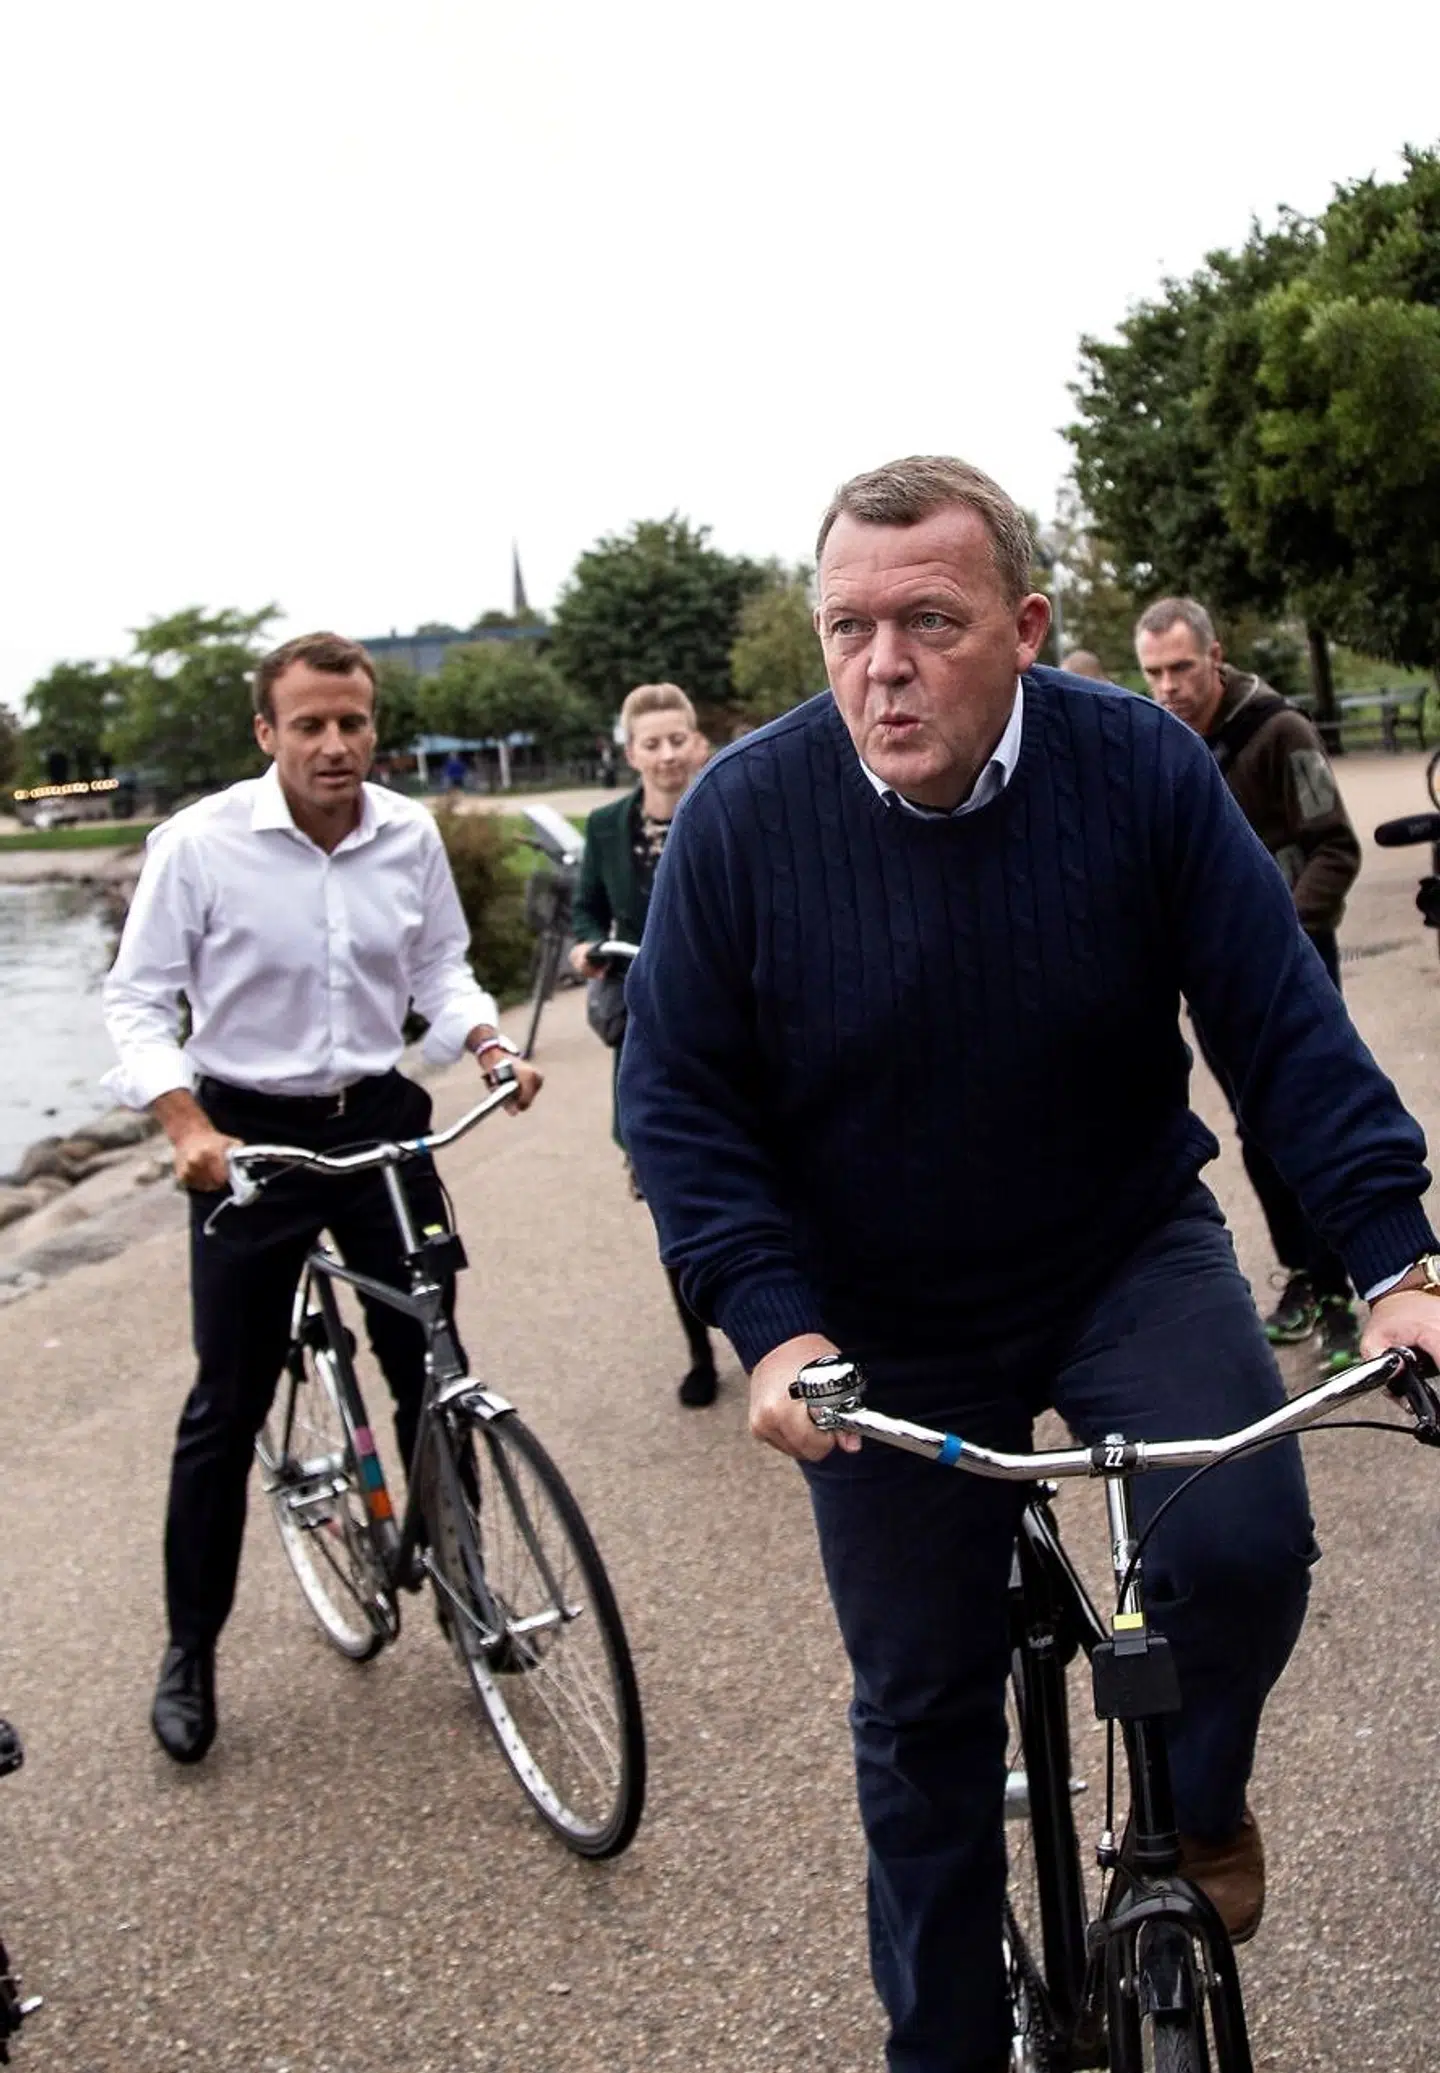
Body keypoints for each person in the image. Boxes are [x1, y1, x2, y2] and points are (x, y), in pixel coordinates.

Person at [617, 456, 1440, 2073]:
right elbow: (680, 1106)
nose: (883, 664)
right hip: (876, 1316)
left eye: (930, 619)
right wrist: (773, 1333)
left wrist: (1400, 1258)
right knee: (920, 1713)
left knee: (1248, 1546)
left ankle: (1198, 1797)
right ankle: (938, 2049)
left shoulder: (1135, 763)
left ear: (1027, 625)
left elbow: (1278, 1023)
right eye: (849, 625)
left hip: (1118, 1243)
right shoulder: (742, 818)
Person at [102, 631, 542, 1766]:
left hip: (379, 1118)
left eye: (352, 723)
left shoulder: (407, 836)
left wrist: (488, 1045)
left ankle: (467, 1590)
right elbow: (139, 1004)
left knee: (434, 1364)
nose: (335, 744)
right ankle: (188, 1650)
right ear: (268, 733)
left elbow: (440, 968)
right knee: (226, 1403)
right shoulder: (197, 848)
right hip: (245, 1134)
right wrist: (187, 1128)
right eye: (310, 725)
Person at [1134, 599, 1364, 1373]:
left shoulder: (1279, 731)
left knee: (1311, 1117)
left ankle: (1341, 1289)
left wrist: (1277, 935)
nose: (1168, 686)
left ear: (1215, 656)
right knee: (1255, 1132)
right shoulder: (1159, 746)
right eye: (1154, 672)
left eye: (1181, 668)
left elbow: (1333, 846)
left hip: (1290, 964)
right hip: (1211, 981)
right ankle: (1304, 1271)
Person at [569, 683, 719, 1407]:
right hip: (646, 1032)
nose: (666, 755)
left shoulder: (725, 803)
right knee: (672, 1192)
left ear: (695, 741)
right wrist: (584, 949)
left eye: (677, 739)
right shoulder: (604, 829)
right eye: (651, 743)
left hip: (732, 1025)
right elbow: (586, 909)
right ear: (630, 752)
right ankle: (699, 1350)